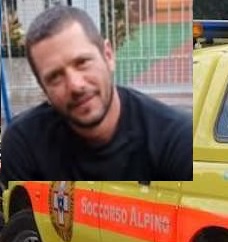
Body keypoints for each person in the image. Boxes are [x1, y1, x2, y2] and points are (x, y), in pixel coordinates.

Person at [0, 5, 192, 183]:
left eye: (82, 62)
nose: (75, 86)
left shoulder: (177, 140)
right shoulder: (24, 144)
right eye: (55, 76)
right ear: (44, 90)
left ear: (108, 56)